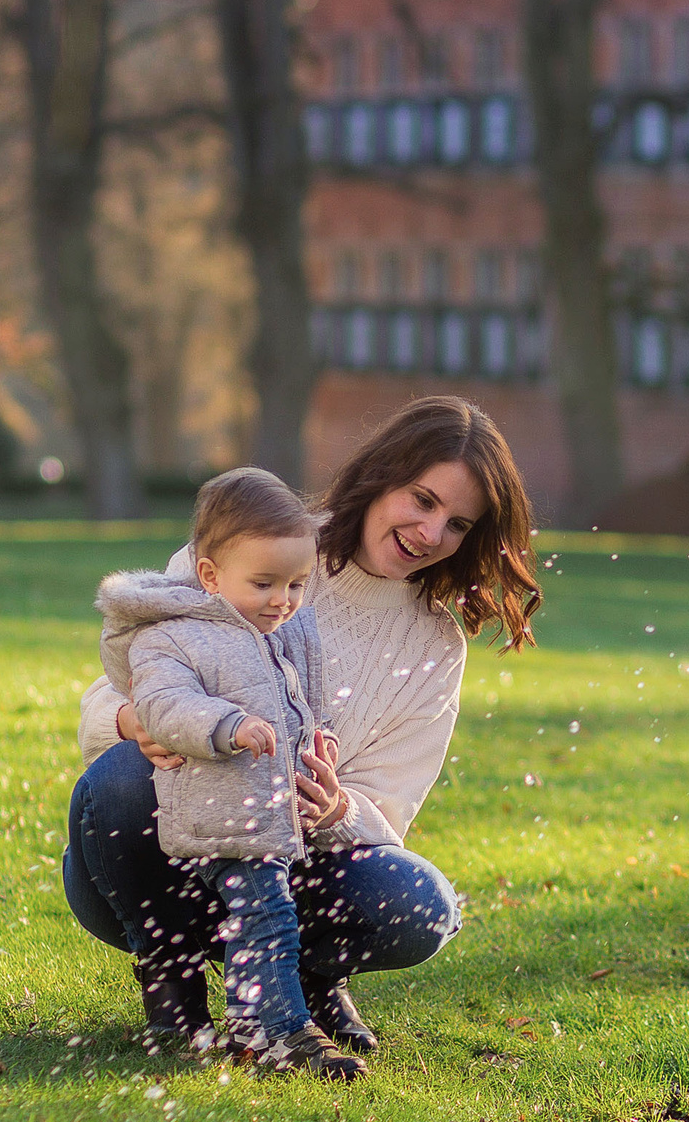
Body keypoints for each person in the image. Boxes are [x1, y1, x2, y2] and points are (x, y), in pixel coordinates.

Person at [64, 397, 541, 1054]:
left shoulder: (435, 646)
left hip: (291, 871)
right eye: (422, 500)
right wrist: (136, 721)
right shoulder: (252, 545)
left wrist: (334, 808)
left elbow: (387, 815)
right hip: (168, 854)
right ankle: (171, 984)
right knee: (122, 773)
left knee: (422, 905)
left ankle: (303, 974)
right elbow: (102, 700)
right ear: (381, 479)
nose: (432, 534)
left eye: (458, 523)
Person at [96, 468, 363, 1077]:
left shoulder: (273, 631)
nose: (283, 600)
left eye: (296, 584)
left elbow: (297, 702)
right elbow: (161, 707)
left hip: (265, 812)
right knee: (268, 916)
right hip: (217, 808)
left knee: (266, 916)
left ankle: (251, 1024)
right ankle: (285, 1032)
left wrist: (316, 740)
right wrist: (226, 726)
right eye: (265, 583)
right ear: (211, 576)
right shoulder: (173, 635)